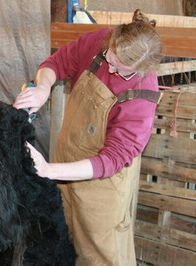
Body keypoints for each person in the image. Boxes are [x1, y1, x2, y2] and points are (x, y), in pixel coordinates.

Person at [13, 9, 163, 266]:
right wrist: (42, 88)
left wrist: (48, 169)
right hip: (66, 159)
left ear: (141, 71)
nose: (112, 69)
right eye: (110, 58)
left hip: (102, 183)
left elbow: (111, 160)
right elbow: (56, 63)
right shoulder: (100, 41)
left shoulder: (141, 97)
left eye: (122, 71)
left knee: (99, 254)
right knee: (64, 241)